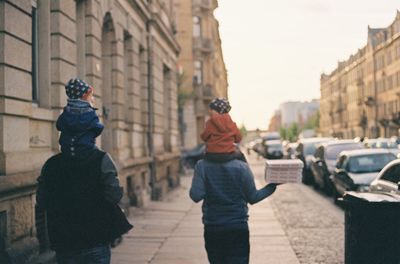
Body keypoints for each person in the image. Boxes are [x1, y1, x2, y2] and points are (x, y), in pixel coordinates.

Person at [36, 78, 132, 264]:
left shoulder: (51, 166)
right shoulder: (101, 161)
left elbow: (42, 201)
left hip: (64, 244)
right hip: (95, 241)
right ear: (92, 132)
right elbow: (114, 195)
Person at [190, 98, 279, 264]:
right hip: (237, 226)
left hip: (213, 227)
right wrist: (272, 186)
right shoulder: (241, 167)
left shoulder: (202, 166)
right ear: (231, 139)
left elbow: (196, 195)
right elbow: (253, 197)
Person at [200, 98, 246, 163]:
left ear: (217, 110)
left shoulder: (210, 122)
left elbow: (204, 137)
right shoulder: (231, 123)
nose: (210, 111)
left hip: (212, 155)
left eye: (211, 109)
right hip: (228, 155)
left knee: (199, 164)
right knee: (242, 159)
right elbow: (238, 139)